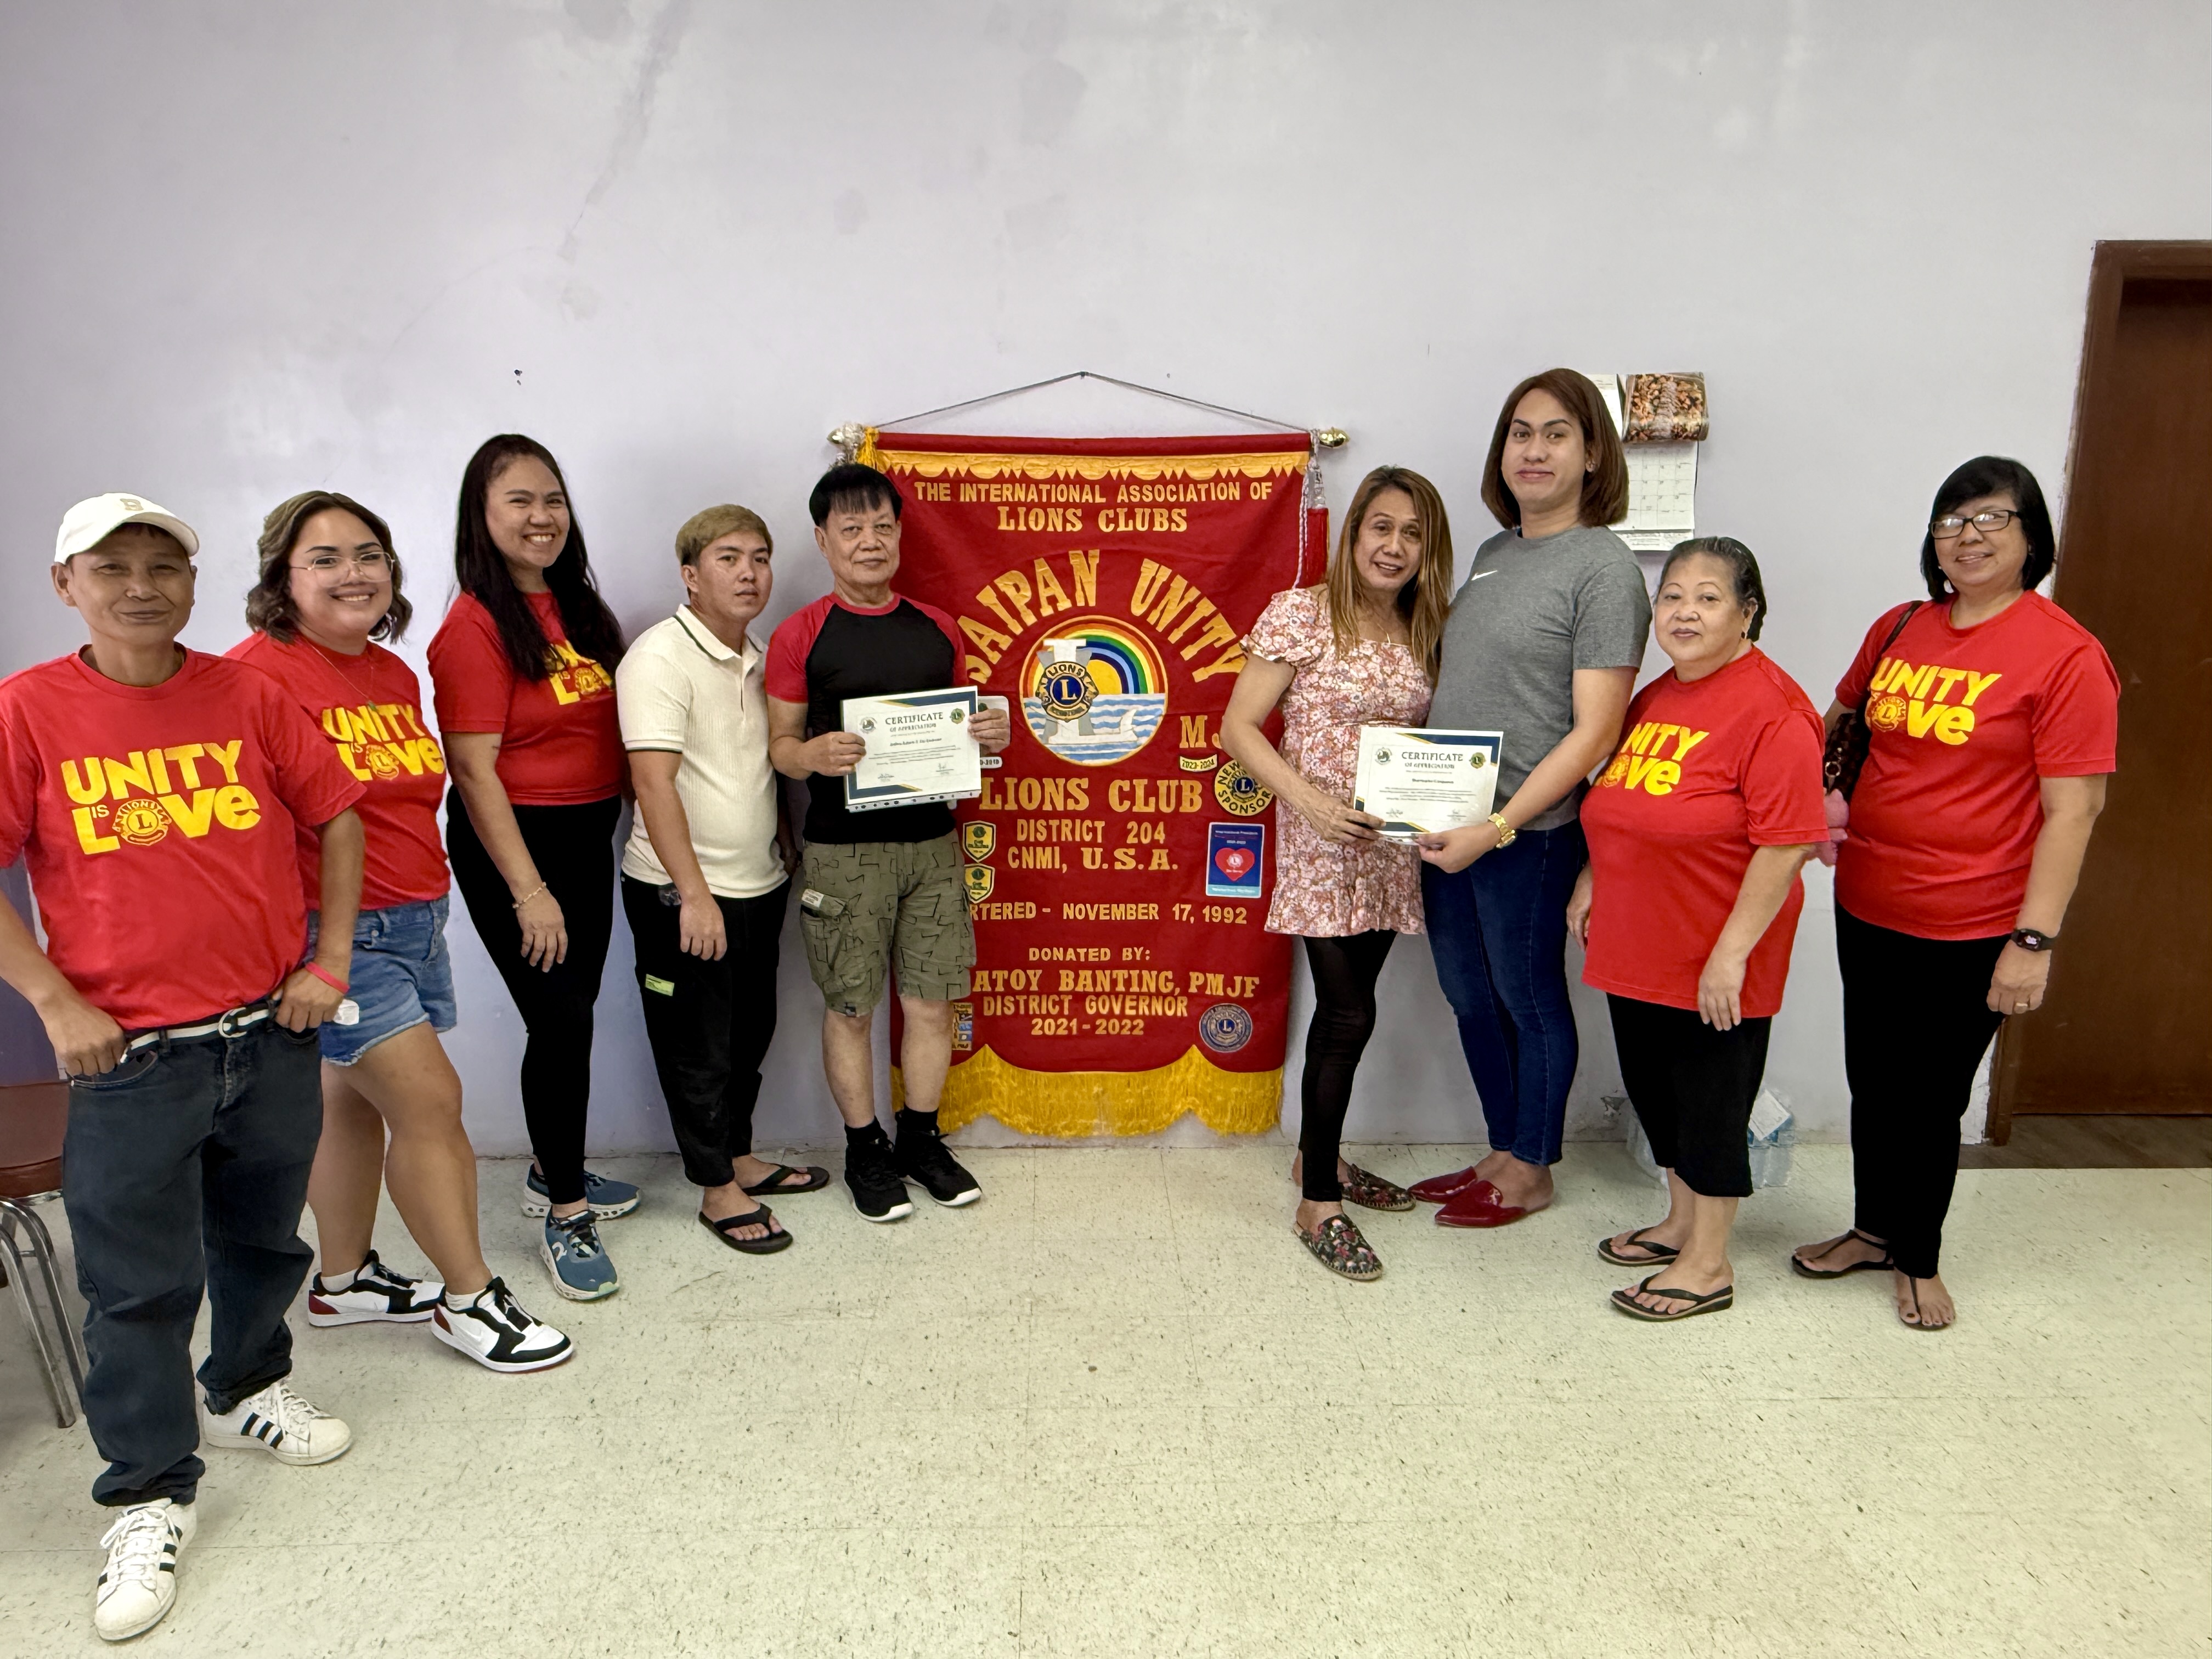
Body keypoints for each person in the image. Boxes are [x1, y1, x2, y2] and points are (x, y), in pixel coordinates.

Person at [0, 495, 365, 1641]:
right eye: (112, 568)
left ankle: (247, 1384)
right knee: (135, 1286)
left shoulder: (249, 694)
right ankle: (148, 1493)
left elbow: (337, 817)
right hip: (130, 1058)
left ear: (193, 584)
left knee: (262, 1240)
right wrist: (53, 1000)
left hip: (267, 1032)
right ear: (67, 585)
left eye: (164, 566)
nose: (141, 586)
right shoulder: (27, 710)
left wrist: (329, 962)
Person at [229, 490, 571, 1371]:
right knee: (432, 1105)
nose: (354, 573)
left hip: (417, 917)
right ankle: (469, 1298)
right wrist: (310, 954)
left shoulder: (390, 673)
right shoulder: (253, 679)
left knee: (349, 1102)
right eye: (325, 559)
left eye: (369, 554)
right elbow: (239, 833)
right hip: (335, 936)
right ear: (282, 577)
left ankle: (342, 1280)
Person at [1791, 457, 2117, 1329]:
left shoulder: (2066, 656)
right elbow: (1839, 720)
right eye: (1951, 521)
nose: (1968, 536)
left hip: (1973, 922)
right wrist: (1797, 796)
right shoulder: (1901, 626)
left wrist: (2033, 943)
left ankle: (1919, 1258)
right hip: (1869, 902)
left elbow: (2075, 811)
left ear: (2031, 536)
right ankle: (1872, 1230)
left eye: (1991, 518)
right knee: (1875, 1081)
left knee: (1931, 1097)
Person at [1408, 370, 1650, 1227]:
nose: (1534, 451)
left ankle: (1534, 1166)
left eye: (1556, 434)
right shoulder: (1492, 554)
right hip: (1449, 826)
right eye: (1520, 432)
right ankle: (1503, 1148)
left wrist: (1500, 825)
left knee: (1529, 997)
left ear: (1593, 456)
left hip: (1529, 832)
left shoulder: (1605, 569)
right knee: (1469, 996)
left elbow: (1596, 732)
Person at [1569, 538, 1826, 1320]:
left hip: (1715, 951)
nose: (1685, 612)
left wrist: (1730, 956)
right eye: (1672, 596)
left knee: (1712, 1103)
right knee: (1659, 1094)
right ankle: (1680, 1224)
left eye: (1709, 598)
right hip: (1638, 941)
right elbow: (1620, 801)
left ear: (1748, 613)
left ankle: (1709, 1262)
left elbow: (1786, 846)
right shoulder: (1656, 697)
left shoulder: (1775, 711)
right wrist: (1592, 877)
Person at [1221, 466, 1454, 1279]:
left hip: (1391, 849)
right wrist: (1310, 804)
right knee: (1350, 1015)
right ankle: (1319, 1202)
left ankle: (1315, 1160)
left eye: (1413, 534)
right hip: (1320, 845)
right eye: (1380, 527)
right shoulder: (1302, 613)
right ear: (1353, 534)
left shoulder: (1427, 627)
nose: (1394, 546)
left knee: (1342, 1017)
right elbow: (1238, 727)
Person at [765, 463, 1011, 1221]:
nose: (869, 541)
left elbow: (965, 735)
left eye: (881, 526)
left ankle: (920, 1140)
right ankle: (864, 1149)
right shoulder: (801, 633)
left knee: (932, 1002)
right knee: (851, 1009)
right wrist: (811, 755)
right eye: (851, 529)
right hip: (843, 851)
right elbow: (779, 747)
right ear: (823, 541)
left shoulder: (938, 627)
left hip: (933, 844)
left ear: (900, 533)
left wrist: (990, 735)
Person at [430, 434, 635, 1301]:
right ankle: (566, 1213)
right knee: (558, 1023)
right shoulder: (473, 626)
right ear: (481, 516)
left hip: (587, 837)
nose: (541, 516)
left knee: (572, 1017)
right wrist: (529, 892)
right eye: (518, 500)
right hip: (516, 848)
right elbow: (473, 771)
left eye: (552, 499)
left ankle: (554, 1168)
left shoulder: (578, 608)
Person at [618, 504, 825, 1255]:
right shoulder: (658, 658)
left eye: (760, 558)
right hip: (681, 894)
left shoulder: (761, 655)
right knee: (697, 1047)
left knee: (749, 1034)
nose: (749, 573)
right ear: (690, 575)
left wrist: (781, 837)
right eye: (729, 558)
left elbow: (755, 765)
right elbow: (652, 784)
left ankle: (738, 1157)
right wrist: (694, 894)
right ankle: (715, 1191)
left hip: (759, 883)